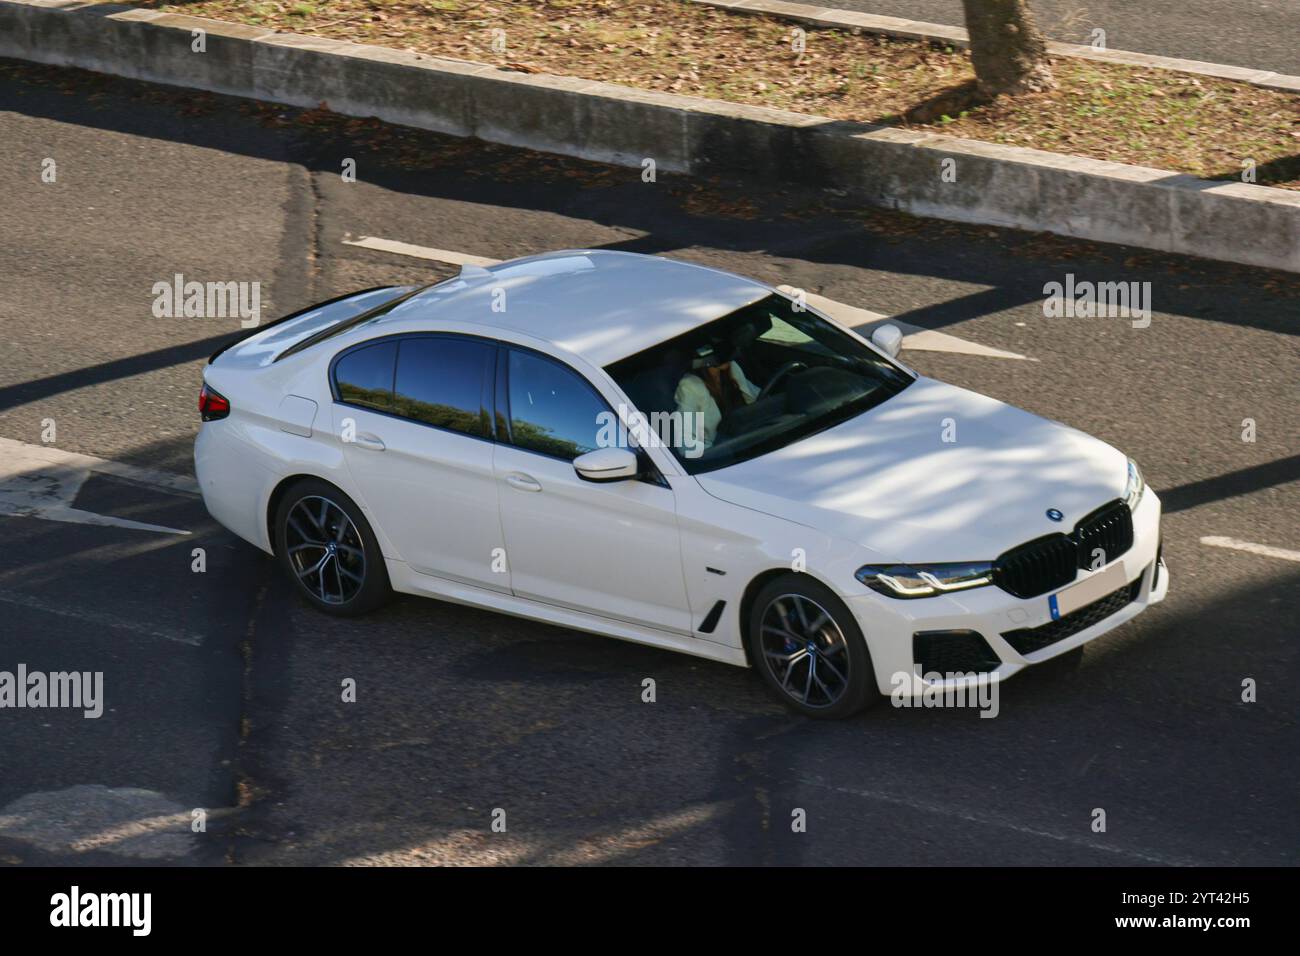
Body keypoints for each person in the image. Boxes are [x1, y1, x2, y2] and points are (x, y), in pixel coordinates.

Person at [674, 358, 760, 451]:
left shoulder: (731, 368)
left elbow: (757, 400)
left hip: (751, 436)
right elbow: (687, 441)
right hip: (724, 451)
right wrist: (718, 453)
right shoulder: (691, 386)